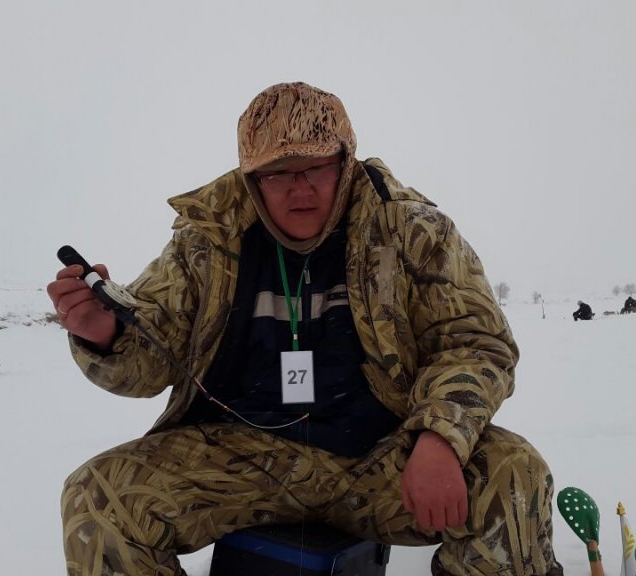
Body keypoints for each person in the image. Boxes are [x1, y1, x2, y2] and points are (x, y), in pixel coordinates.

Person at [47, 82, 562, 576]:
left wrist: (440, 436)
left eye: (317, 166)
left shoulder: (411, 229)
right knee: (99, 499)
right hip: (238, 459)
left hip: (381, 456)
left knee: (511, 472)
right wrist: (104, 334)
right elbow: (149, 360)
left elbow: (475, 343)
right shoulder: (205, 241)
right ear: (252, 178)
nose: (301, 188)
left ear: (346, 162)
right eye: (278, 173)